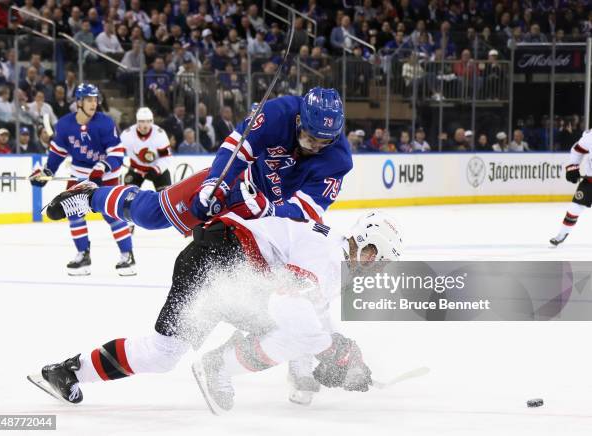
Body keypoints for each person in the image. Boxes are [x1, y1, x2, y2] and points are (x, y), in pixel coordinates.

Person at [28, 210, 402, 413]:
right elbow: (292, 306)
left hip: (227, 272)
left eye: (379, 262)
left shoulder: (333, 255)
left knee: (162, 356)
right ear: (363, 241)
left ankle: (69, 372)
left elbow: (311, 314)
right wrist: (332, 349)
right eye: (374, 255)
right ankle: (217, 364)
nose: (374, 265)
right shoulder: (327, 257)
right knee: (165, 353)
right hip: (217, 264)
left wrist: (343, 357)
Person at [43, 87, 352, 236]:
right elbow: (236, 150)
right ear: (300, 120)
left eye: (324, 141)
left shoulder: (337, 160)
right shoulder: (277, 112)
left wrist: (268, 210)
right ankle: (91, 196)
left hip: (274, 217)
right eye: (311, 137)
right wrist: (212, 185)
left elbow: (307, 211)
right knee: (151, 216)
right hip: (238, 184)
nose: (316, 146)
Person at [28, 83, 136, 276]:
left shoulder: (105, 123)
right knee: (73, 212)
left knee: (112, 214)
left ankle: (127, 255)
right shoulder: (64, 125)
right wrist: (46, 172)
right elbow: (57, 154)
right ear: (78, 102)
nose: (93, 103)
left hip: (107, 177)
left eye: (95, 99)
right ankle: (82, 255)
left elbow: (117, 154)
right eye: (88, 99)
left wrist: (101, 167)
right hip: (78, 175)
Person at [550, 130, 592, 246]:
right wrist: (573, 167)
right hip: (590, 182)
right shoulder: (590, 137)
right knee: (574, 208)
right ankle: (562, 234)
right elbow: (577, 150)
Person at [121, 107, 173, 191]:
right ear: (137, 122)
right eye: (142, 121)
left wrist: (156, 169)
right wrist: (116, 160)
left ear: (152, 121)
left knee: (165, 196)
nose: (145, 125)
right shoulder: (128, 134)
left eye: (149, 121)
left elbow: (167, 157)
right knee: (128, 195)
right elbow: (117, 151)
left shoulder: (160, 134)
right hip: (136, 169)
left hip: (157, 170)